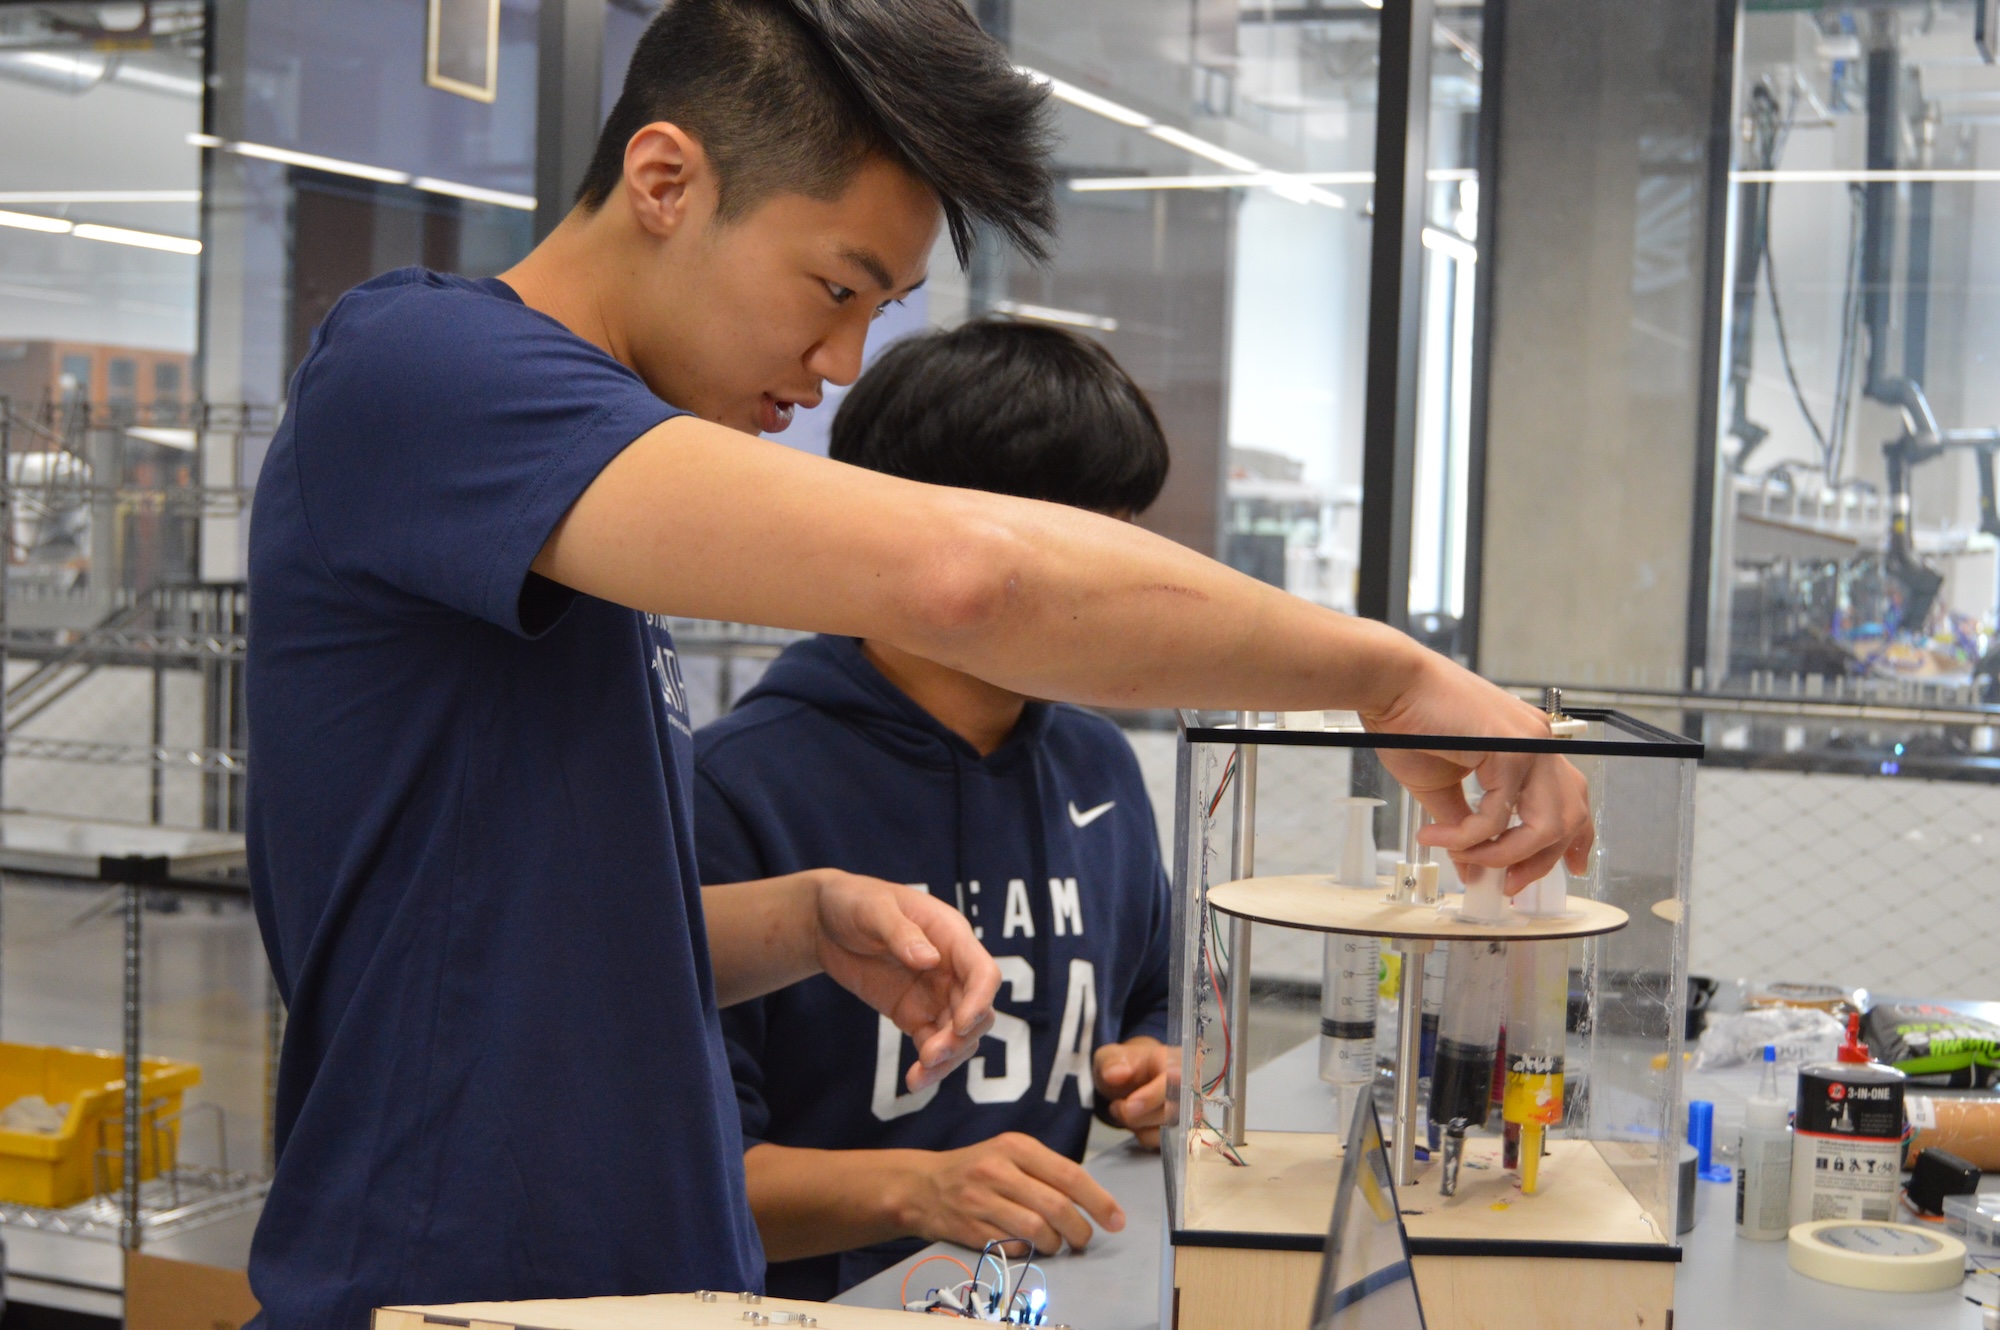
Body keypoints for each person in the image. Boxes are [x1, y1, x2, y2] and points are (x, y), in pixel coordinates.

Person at [244, 0, 1593, 1324]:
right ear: (665, 178)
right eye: (835, 288)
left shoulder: (566, 513)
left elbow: (497, 947)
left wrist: (805, 920)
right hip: (446, 1287)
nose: (836, 368)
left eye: (879, 310)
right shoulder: (419, 368)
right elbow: (967, 578)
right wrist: (1392, 676)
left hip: (657, 1282)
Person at [697, 321, 1179, 1300]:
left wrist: (1158, 1069)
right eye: (1080, 547)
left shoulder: (1096, 764)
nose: (1112, 590)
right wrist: (914, 1189)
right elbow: (688, 1180)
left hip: (1051, 1295)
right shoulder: (733, 791)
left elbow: (1153, 1001)